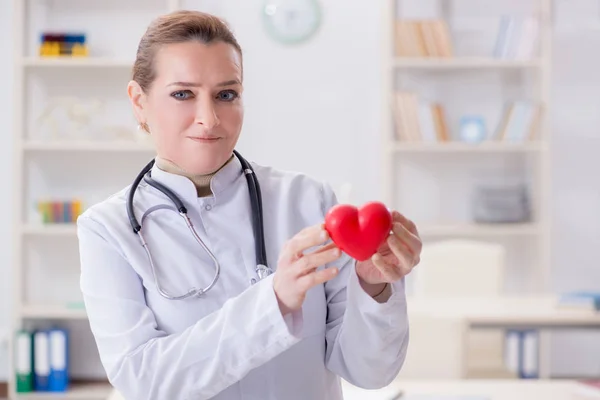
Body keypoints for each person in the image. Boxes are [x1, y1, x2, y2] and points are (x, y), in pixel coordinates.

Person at [77, 10, 422, 400]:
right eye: (182, 94)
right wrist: (274, 301)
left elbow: (370, 372)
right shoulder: (107, 229)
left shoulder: (308, 202)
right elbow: (144, 381)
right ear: (139, 102)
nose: (208, 119)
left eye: (226, 95)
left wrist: (374, 285)